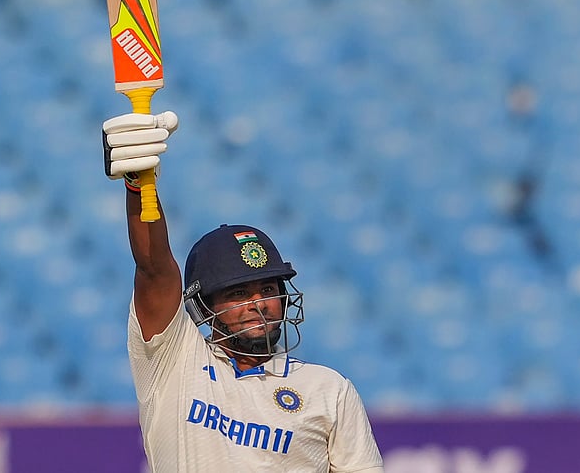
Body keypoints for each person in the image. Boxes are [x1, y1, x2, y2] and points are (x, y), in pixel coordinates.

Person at [102, 110, 385, 472]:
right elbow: (154, 270)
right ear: (205, 306)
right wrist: (139, 182)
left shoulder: (328, 390)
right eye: (237, 294)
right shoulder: (174, 361)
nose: (258, 304)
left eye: (267, 288)